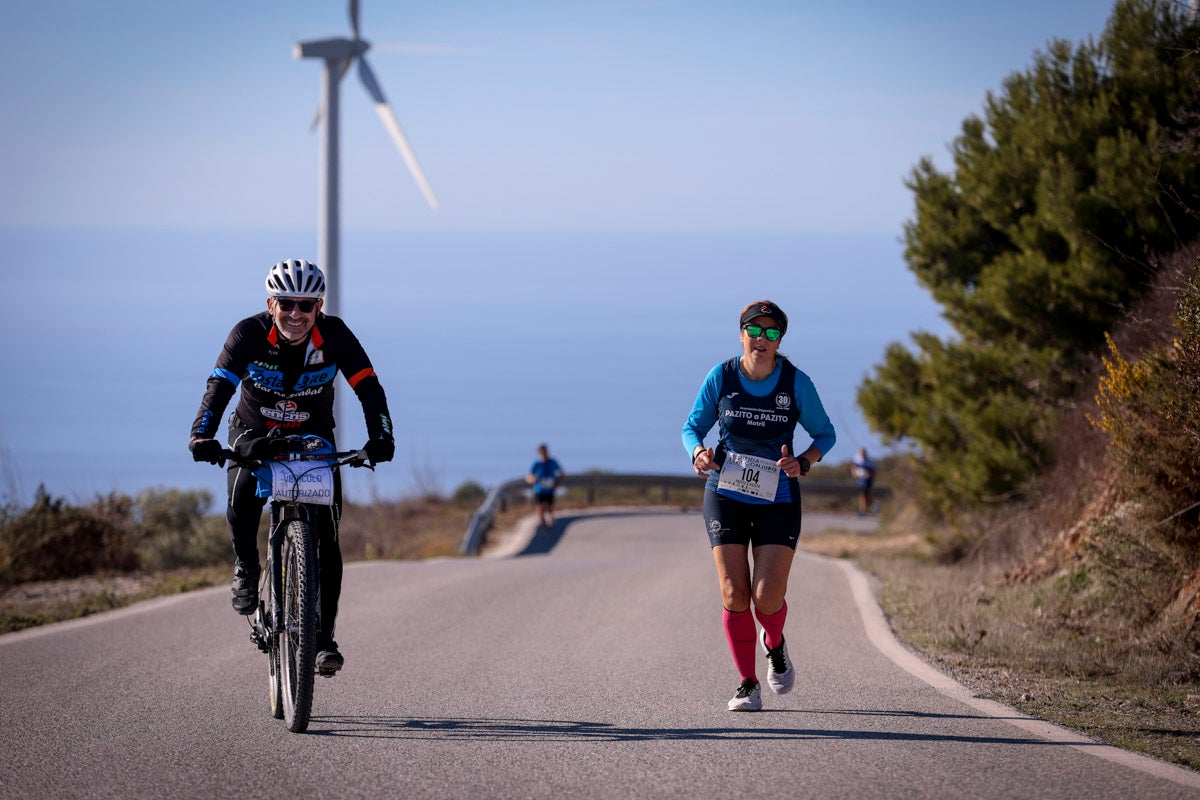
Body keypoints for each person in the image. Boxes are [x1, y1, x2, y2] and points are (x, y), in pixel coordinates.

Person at [188, 258, 395, 674]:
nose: (296, 314)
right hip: (253, 430)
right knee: (242, 495)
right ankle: (247, 565)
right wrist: (201, 434)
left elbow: (369, 388)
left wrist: (382, 438)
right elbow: (218, 387)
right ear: (271, 303)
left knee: (329, 539)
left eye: (306, 304)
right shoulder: (247, 334)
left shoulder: (336, 337)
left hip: (313, 435)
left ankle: (322, 639)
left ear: (319, 306)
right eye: (287, 304)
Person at [682, 299, 836, 711]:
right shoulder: (722, 376)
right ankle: (747, 683)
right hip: (725, 491)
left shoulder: (795, 382)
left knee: (766, 597)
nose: (762, 339)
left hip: (778, 496)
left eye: (771, 333)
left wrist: (803, 461)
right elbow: (692, 426)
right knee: (735, 592)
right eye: (755, 330)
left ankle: (776, 642)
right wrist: (697, 451)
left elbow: (826, 435)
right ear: (741, 333)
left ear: (780, 339)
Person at [526, 443, 564, 527]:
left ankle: (551, 522)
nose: (544, 453)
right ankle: (542, 524)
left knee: (550, 508)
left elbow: (561, 473)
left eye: (545, 451)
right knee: (540, 507)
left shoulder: (552, 462)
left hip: (550, 489)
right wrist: (533, 479)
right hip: (539, 489)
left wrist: (557, 484)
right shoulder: (537, 463)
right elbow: (529, 476)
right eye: (542, 452)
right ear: (539, 452)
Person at [852, 447, 877, 516]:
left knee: (865, 497)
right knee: (862, 496)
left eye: (863, 453)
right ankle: (863, 511)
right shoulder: (857, 460)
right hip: (860, 481)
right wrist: (854, 474)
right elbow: (853, 468)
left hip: (868, 481)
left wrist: (869, 474)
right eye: (860, 453)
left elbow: (874, 471)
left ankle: (873, 505)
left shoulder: (870, 461)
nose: (861, 454)